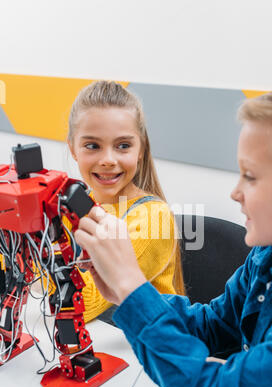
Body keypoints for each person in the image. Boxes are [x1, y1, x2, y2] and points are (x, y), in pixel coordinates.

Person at [74, 84, 272, 387]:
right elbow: (211, 325)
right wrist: (126, 296)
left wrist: (134, 290)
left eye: (251, 177)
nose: (235, 192)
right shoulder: (267, 257)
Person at [52, 80, 185, 324]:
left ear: (141, 149)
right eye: (92, 146)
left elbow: (81, 305)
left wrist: (36, 249)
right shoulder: (70, 207)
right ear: (73, 149)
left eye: (123, 146)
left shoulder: (153, 218)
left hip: (140, 351)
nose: (108, 160)